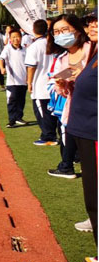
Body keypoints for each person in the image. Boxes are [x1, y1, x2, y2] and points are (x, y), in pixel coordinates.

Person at [66, 12, 97, 262]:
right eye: (90, 21)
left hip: (94, 135)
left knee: (96, 201)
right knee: (93, 200)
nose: (93, 25)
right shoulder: (95, 51)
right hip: (86, 133)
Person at [46, 14, 91, 179]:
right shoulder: (62, 59)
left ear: (77, 30)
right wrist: (61, 85)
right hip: (75, 110)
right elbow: (64, 91)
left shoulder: (92, 49)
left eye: (64, 30)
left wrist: (83, 73)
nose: (60, 35)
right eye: (56, 32)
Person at [25, 19, 58, 146]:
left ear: (34, 30)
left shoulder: (34, 46)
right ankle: (52, 134)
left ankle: (48, 136)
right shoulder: (52, 43)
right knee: (52, 111)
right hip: (53, 84)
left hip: (40, 84)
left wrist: (29, 82)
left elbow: (31, 67)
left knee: (42, 112)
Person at [0, 29, 27, 128]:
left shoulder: (25, 49)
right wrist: (2, 68)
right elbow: (1, 59)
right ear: (10, 39)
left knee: (21, 100)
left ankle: (19, 118)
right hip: (12, 81)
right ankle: (11, 120)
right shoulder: (8, 48)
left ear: (21, 38)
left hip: (23, 80)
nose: (16, 39)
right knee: (12, 100)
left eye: (17, 37)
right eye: (13, 37)